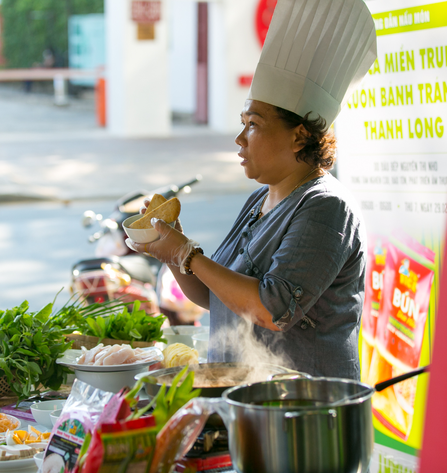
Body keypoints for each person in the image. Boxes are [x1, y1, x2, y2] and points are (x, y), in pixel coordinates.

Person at [126, 0, 377, 379]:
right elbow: (214, 296)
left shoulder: (326, 207)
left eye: (254, 125)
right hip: (242, 395)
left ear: (299, 136)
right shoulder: (260, 199)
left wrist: (187, 254)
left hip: (303, 404)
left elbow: (272, 309)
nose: (240, 139)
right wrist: (171, 251)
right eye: (243, 123)